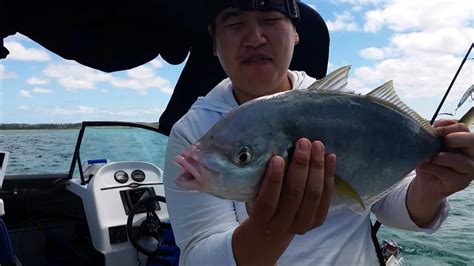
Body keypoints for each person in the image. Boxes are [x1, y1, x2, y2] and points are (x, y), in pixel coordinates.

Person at [163, 0, 474, 264]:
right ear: (214, 41)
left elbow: (387, 201)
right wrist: (267, 230)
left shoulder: (348, 103)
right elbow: (198, 256)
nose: (255, 38)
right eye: (234, 25)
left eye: (270, 21)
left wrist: (430, 188)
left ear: (296, 34)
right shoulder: (193, 132)